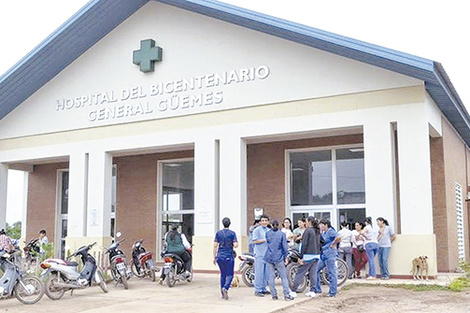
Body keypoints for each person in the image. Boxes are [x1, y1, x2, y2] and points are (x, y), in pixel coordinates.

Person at [291, 216, 321, 298]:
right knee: (313, 273)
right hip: (316, 255)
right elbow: (322, 241)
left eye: (306, 221)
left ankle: (293, 291)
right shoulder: (317, 231)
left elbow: (304, 244)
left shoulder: (308, 230)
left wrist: (301, 256)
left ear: (309, 222)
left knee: (299, 273)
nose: (305, 223)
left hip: (308, 255)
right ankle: (312, 290)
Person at [264, 219, 294, 301]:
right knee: (283, 277)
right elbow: (285, 247)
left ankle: (274, 295)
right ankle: (286, 294)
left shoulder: (267, 233)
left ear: (271, 224)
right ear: (278, 225)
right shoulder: (281, 234)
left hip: (269, 257)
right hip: (279, 257)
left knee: (271, 277)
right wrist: (286, 257)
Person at [213, 217, 238, 300]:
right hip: (228, 255)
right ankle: (225, 288)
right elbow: (235, 245)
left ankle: (222, 292)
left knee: (223, 274)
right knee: (230, 274)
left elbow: (215, 245)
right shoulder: (232, 233)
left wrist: (214, 257)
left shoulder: (218, 233)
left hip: (220, 255)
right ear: (229, 223)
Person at [314, 219, 339, 297]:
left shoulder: (330, 231)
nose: (320, 226)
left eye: (321, 225)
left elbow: (338, 237)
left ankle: (333, 292)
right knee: (315, 269)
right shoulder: (324, 233)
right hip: (323, 255)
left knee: (331, 272)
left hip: (330, 254)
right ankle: (317, 289)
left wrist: (333, 244)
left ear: (326, 225)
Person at [252, 214, 270, 297]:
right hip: (259, 254)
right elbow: (255, 241)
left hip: (267, 254)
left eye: (266, 220)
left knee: (266, 273)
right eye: (262, 220)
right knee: (259, 272)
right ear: (260, 222)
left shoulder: (269, 230)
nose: (264, 222)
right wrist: (264, 240)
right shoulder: (257, 230)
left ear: (268, 221)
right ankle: (258, 290)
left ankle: (263, 288)